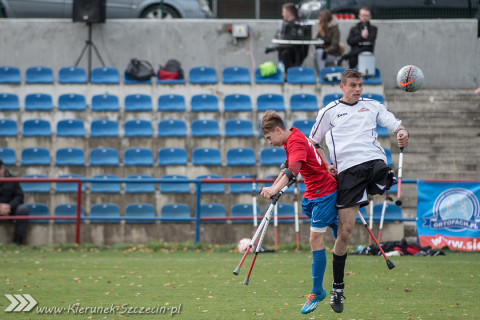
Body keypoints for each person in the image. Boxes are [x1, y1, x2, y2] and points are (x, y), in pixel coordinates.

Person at [309, 69, 409, 313]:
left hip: (373, 161)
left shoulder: (373, 105)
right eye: (352, 85)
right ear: (342, 86)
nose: (357, 89)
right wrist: (327, 164)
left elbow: (395, 125)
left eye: (360, 85)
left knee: (384, 172)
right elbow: (313, 142)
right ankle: (337, 289)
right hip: (347, 172)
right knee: (344, 233)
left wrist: (402, 132)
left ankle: (383, 187)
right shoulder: (329, 111)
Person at [259, 110, 338, 315]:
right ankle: (337, 225)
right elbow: (286, 167)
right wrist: (273, 187)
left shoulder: (295, 140)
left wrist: (274, 189)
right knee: (329, 230)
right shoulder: (290, 138)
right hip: (312, 195)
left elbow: (293, 170)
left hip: (324, 192)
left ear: (277, 130)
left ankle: (317, 291)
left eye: (269, 138)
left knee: (314, 239)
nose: (269, 142)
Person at [0, 159, 29, 245]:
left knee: (23, 210)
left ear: (3, 168)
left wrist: (9, 206)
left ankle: (18, 241)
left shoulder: (13, 179)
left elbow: (19, 196)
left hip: (10, 210)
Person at [276, 2, 309, 72]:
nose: (282, 14)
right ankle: (287, 73)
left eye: (283, 12)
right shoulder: (284, 23)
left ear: (288, 12)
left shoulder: (300, 23)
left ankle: (291, 73)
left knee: (285, 53)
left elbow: (299, 40)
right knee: (282, 51)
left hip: (299, 51)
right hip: (287, 49)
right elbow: (279, 36)